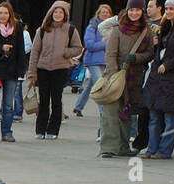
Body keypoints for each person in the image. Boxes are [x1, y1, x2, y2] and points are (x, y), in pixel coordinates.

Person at [99, 0, 154, 157]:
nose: (134, 13)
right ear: (127, 11)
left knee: (127, 112)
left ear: (142, 12)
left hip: (134, 78)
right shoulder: (117, 29)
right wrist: (113, 73)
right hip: (115, 75)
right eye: (131, 10)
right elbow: (110, 53)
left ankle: (123, 147)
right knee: (110, 112)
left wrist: (136, 58)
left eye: (137, 10)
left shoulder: (146, 30)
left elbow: (150, 53)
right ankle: (109, 148)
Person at [27, 1, 85, 139]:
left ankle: (53, 130)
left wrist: (65, 52)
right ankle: (40, 130)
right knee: (44, 100)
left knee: (56, 100)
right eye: (55, 12)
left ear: (65, 15)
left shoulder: (71, 29)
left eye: (61, 12)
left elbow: (78, 48)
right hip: (43, 68)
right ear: (51, 13)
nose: (58, 15)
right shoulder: (42, 30)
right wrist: (32, 72)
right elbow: (35, 52)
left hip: (60, 68)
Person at [142, 0, 174, 156]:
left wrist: (168, 65)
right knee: (154, 116)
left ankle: (164, 151)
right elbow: (161, 51)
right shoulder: (165, 27)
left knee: (169, 117)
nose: (168, 11)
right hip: (158, 77)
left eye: (172, 9)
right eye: (167, 8)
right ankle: (152, 148)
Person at [0, 2, 26, 140]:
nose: (3, 15)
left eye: (6, 13)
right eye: (1, 12)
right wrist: (1, 48)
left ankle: (7, 132)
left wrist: (21, 69)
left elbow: (21, 50)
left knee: (8, 105)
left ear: (10, 14)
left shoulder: (17, 28)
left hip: (11, 72)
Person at [131, 0, 162, 151]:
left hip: (159, 71)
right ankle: (140, 142)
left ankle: (153, 144)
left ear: (159, 8)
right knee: (142, 108)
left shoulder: (166, 25)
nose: (147, 9)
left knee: (155, 112)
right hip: (142, 69)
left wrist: (158, 42)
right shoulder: (143, 23)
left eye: (150, 6)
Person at [75, 4, 114, 117]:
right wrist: (105, 43)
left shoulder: (112, 28)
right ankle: (103, 111)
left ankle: (78, 106)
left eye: (107, 12)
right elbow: (89, 45)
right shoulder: (92, 26)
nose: (105, 14)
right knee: (100, 85)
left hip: (106, 61)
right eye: (103, 12)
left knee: (90, 86)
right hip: (93, 61)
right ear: (98, 13)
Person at [13, 21, 32, 118]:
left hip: (19, 65)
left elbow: (29, 47)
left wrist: (19, 51)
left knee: (17, 91)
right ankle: (5, 113)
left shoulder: (25, 34)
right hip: (8, 68)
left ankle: (18, 112)